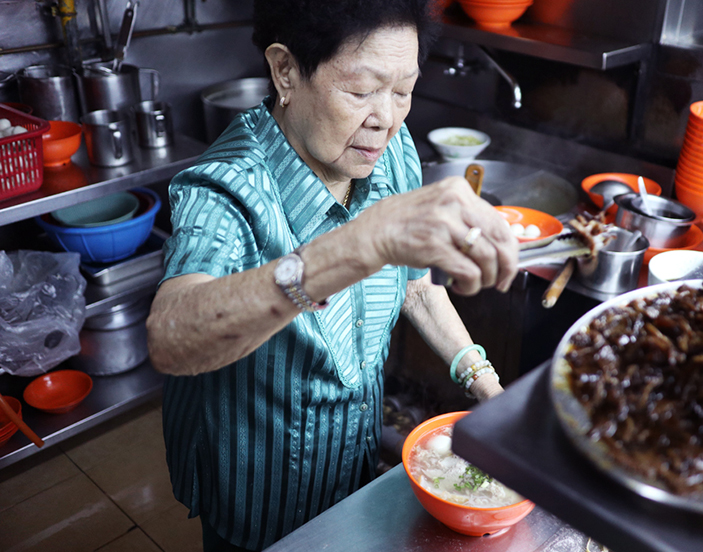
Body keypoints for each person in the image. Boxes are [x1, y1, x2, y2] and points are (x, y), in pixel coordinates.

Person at [146, 0, 519, 549]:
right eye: (362, 90)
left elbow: (414, 285)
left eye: (403, 90)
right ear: (286, 71)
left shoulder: (386, 151)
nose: (387, 118)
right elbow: (171, 338)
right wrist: (357, 246)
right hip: (258, 500)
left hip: (350, 474)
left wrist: (485, 385)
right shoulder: (224, 189)